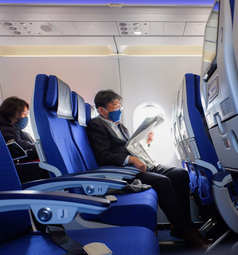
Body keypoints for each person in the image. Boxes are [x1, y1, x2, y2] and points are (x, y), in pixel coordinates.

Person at [86, 89, 212, 247]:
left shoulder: (120, 127)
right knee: (163, 182)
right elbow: (102, 156)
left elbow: (129, 147)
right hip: (122, 172)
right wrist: (130, 159)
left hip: (137, 165)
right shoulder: (96, 125)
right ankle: (186, 230)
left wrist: (146, 142)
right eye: (115, 107)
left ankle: (178, 226)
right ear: (101, 110)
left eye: (120, 107)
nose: (118, 110)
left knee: (180, 174)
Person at [0, 96, 49, 183]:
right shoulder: (4, 130)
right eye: (24, 114)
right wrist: (46, 148)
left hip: (15, 165)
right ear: (11, 115)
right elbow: (24, 148)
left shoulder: (14, 128)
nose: (26, 117)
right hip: (7, 170)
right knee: (46, 169)